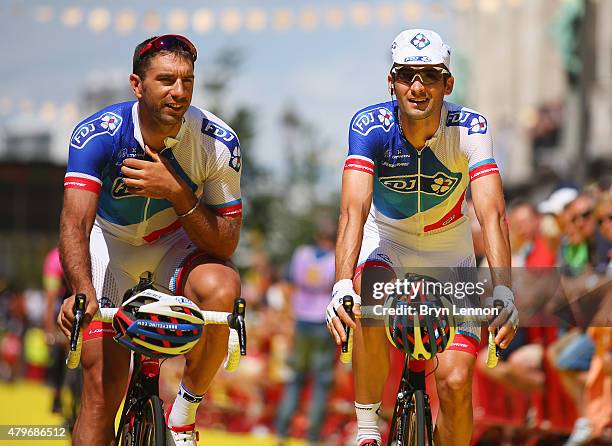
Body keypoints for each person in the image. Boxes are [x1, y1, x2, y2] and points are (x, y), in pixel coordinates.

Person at [326, 29, 518, 446]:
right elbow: (352, 210)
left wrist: (504, 289)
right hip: (388, 243)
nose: (417, 87)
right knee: (367, 291)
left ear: (447, 84)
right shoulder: (369, 125)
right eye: (406, 76)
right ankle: (366, 429)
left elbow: (492, 213)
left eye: (430, 76)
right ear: (391, 82)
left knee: (454, 383)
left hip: (450, 256)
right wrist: (341, 281)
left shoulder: (471, 128)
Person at [56, 35, 242, 446]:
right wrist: (82, 294)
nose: (179, 92)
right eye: (165, 80)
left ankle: (184, 414)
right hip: (111, 247)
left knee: (223, 288)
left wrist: (177, 193)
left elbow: (225, 244)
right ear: (136, 85)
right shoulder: (98, 135)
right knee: (102, 396)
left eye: (187, 81)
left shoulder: (217, 141)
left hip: (175, 246)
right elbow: (75, 224)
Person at [275, 222, 337, 445]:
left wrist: (286, 316)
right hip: (324, 323)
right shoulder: (336, 259)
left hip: (300, 321)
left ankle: (282, 431)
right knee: (321, 382)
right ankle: (313, 436)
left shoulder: (301, 254)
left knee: (295, 378)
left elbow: (287, 285)